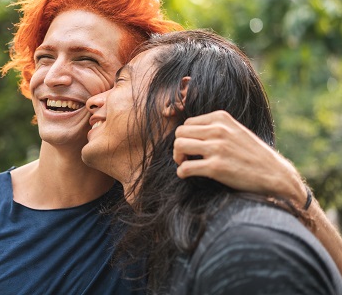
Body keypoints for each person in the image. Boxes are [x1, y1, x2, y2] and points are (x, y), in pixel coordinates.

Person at [0, 0, 342, 294]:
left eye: (87, 60)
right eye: (46, 57)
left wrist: (294, 193)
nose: (55, 76)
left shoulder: (164, 206)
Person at [82, 30, 342, 294]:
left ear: (178, 94)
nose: (94, 101)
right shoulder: (183, 243)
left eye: (122, 81)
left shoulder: (245, 252)